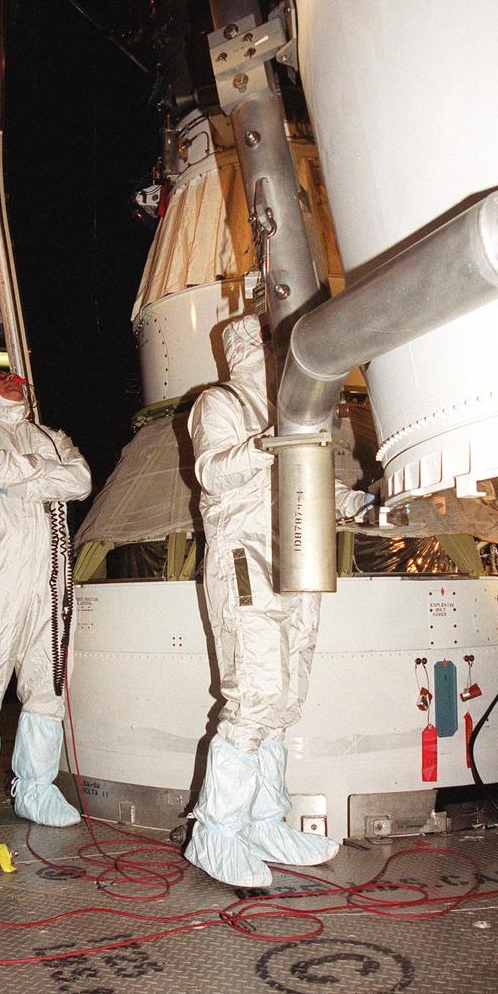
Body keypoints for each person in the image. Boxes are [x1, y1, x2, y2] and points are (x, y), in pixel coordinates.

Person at [185, 313, 372, 888]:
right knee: (255, 695)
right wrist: (273, 443)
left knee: (285, 699)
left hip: (299, 559)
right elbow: (212, 471)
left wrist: (353, 503)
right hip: (248, 559)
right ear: (247, 350)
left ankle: (265, 821)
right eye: (268, 347)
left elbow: (310, 479)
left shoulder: (298, 415)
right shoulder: (219, 404)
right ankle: (215, 831)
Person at [0, 364, 92, 836]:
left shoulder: (51, 436)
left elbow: (81, 481)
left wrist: (21, 476)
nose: (17, 380)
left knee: (45, 684)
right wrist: (44, 475)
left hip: (47, 581)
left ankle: (36, 788)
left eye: (18, 377)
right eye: (3, 376)